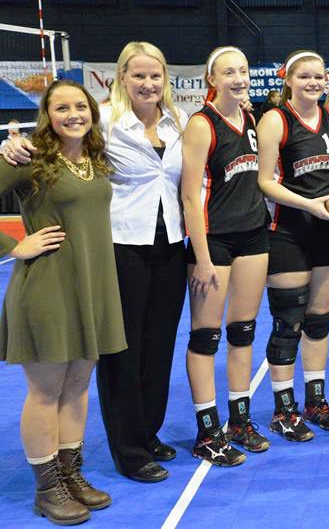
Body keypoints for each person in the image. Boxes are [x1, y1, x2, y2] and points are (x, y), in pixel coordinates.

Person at [2, 43, 188, 483]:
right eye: (138, 75)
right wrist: (14, 148)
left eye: (156, 76)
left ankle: (147, 432)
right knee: (122, 353)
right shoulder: (100, 118)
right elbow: (46, 144)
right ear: (120, 77)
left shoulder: (177, 123)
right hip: (119, 247)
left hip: (169, 244)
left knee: (158, 349)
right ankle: (127, 447)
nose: (148, 84)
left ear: (166, 79)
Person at [0, 80, 125, 524]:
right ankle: (47, 487)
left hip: (91, 286)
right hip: (47, 288)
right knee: (46, 390)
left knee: (76, 387)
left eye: (80, 106)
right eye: (61, 108)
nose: (73, 114)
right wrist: (13, 246)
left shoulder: (95, 158)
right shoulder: (30, 159)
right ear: (47, 116)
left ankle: (71, 475)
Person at [180, 46, 269, 466]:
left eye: (243, 70)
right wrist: (199, 256)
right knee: (205, 337)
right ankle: (206, 429)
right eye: (228, 72)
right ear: (211, 79)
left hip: (253, 236)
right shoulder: (202, 124)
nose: (238, 77)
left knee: (244, 331)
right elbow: (188, 195)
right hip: (213, 242)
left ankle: (239, 419)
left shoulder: (250, 119)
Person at [257, 51, 329, 441]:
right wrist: (308, 204)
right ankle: (283, 408)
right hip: (288, 230)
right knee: (288, 322)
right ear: (288, 80)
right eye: (305, 77)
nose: (313, 83)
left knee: (319, 321)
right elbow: (264, 181)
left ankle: (315, 399)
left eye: (318, 77)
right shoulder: (275, 119)